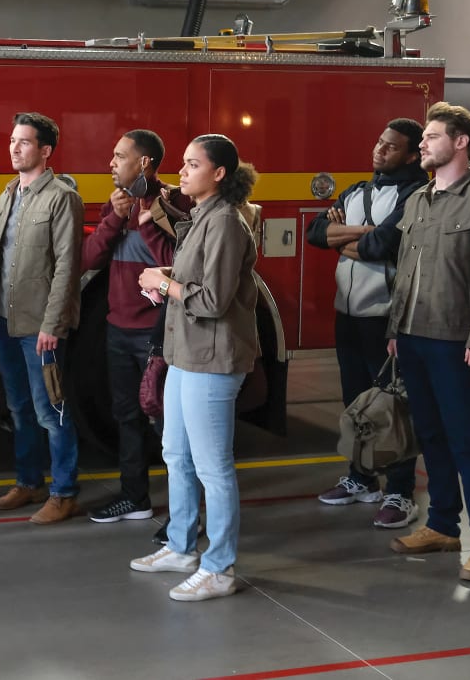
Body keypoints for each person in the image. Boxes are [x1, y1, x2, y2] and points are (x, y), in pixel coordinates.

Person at [134, 134, 259, 602]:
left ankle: (219, 567)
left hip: (212, 358)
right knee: (176, 453)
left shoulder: (224, 221)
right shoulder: (203, 216)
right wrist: (167, 279)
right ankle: (182, 547)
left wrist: (164, 284)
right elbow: (197, 280)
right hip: (186, 354)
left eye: (192, 165)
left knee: (213, 467)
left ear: (219, 174)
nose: (182, 172)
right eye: (183, 164)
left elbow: (213, 301)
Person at [387, 102, 470, 583]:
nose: (423, 144)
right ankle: (442, 525)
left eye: (432, 136)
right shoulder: (418, 199)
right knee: (430, 435)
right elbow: (405, 273)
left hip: (456, 340)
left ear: (460, 143)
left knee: (464, 440)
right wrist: (395, 330)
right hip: (412, 336)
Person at [307, 119, 428, 528]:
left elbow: (381, 245)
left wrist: (342, 238)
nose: (380, 149)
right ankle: (362, 478)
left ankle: (400, 491)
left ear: (411, 155)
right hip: (348, 315)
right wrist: (360, 233)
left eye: (391, 146)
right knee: (356, 402)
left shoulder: (414, 196)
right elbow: (315, 233)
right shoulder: (356, 191)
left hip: (386, 319)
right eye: (380, 142)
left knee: (393, 407)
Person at [0, 112, 85, 525]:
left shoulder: (62, 198)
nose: (14, 147)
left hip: (40, 327)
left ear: (45, 151)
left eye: (24, 142)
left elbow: (67, 267)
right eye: (12, 140)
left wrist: (52, 325)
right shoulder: (9, 193)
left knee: (52, 411)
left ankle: (64, 493)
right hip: (5, 322)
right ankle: (29, 482)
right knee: (19, 408)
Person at [81, 130, 183, 524]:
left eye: (120, 156)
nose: (111, 163)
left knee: (167, 424)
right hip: (117, 330)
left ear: (144, 163)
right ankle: (134, 498)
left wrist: (149, 219)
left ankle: (182, 515)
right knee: (126, 416)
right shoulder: (116, 203)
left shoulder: (172, 203)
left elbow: (179, 261)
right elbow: (89, 259)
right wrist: (114, 218)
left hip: (155, 335)